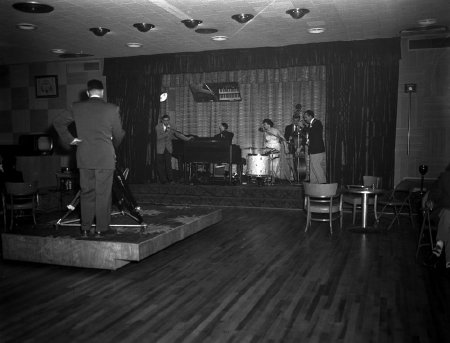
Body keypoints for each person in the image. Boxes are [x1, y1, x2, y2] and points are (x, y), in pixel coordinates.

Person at [53, 79, 125, 238]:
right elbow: (119, 135)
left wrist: (70, 140)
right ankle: (102, 228)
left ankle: (85, 228)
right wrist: (113, 147)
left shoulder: (77, 107)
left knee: (86, 192)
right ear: (102, 92)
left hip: (84, 156)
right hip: (105, 157)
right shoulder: (112, 108)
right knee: (103, 194)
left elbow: (58, 122)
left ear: (87, 92)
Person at [424, 163, 450, 270]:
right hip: (439, 214)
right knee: (448, 213)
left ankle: (438, 248)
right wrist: (431, 201)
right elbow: (434, 195)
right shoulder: (445, 177)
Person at [155, 114, 193, 184]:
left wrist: (187, 138)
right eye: (164, 120)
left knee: (168, 164)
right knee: (160, 166)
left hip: (168, 148)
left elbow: (178, 134)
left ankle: (170, 179)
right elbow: (158, 137)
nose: (166, 122)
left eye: (167, 120)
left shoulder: (172, 126)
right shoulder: (158, 127)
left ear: (169, 120)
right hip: (160, 148)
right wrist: (167, 133)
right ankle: (163, 180)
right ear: (162, 120)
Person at [303, 110, 326, 184]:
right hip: (313, 150)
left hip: (317, 150)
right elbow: (310, 135)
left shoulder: (317, 123)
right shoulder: (310, 124)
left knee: (317, 168)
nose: (304, 119)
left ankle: (323, 185)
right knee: (312, 168)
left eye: (306, 117)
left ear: (310, 116)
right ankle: (313, 186)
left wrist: (303, 127)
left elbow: (313, 132)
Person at [261, 119, 287, 183]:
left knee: (275, 163)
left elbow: (283, 139)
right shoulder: (265, 132)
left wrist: (286, 147)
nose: (263, 126)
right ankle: (269, 178)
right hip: (268, 148)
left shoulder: (276, 131)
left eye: (265, 124)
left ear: (268, 124)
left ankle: (275, 178)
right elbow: (264, 142)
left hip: (276, 147)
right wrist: (264, 150)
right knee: (268, 163)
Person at [284, 113, 307, 182]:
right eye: (294, 120)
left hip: (300, 148)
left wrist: (300, 147)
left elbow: (305, 138)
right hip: (291, 147)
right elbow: (285, 137)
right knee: (291, 163)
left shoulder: (303, 127)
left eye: (297, 120)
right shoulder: (288, 127)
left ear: (299, 120)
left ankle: (300, 178)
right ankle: (291, 178)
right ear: (292, 120)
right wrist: (289, 138)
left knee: (300, 164)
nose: (296, 122)